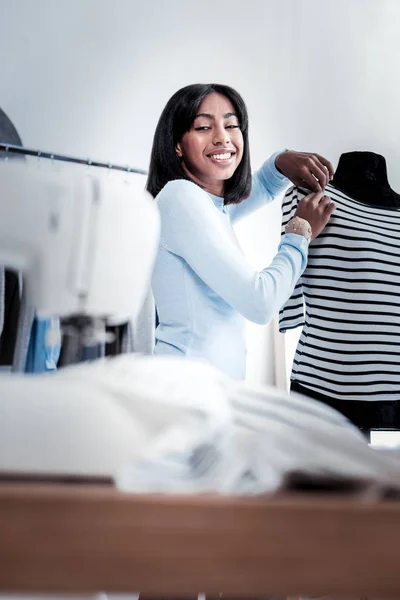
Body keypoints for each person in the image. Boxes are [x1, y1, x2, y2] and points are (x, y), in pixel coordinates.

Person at [147, 83, 335, 380]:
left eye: (232, 125)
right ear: (177, 145)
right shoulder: (180, 197)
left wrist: (278, 164)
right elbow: (260, 302)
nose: (222, 137)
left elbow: (249, 194)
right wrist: (299, 232)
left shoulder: (206, 205)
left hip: (205, 393)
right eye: (203, 127)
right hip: (184, 393)